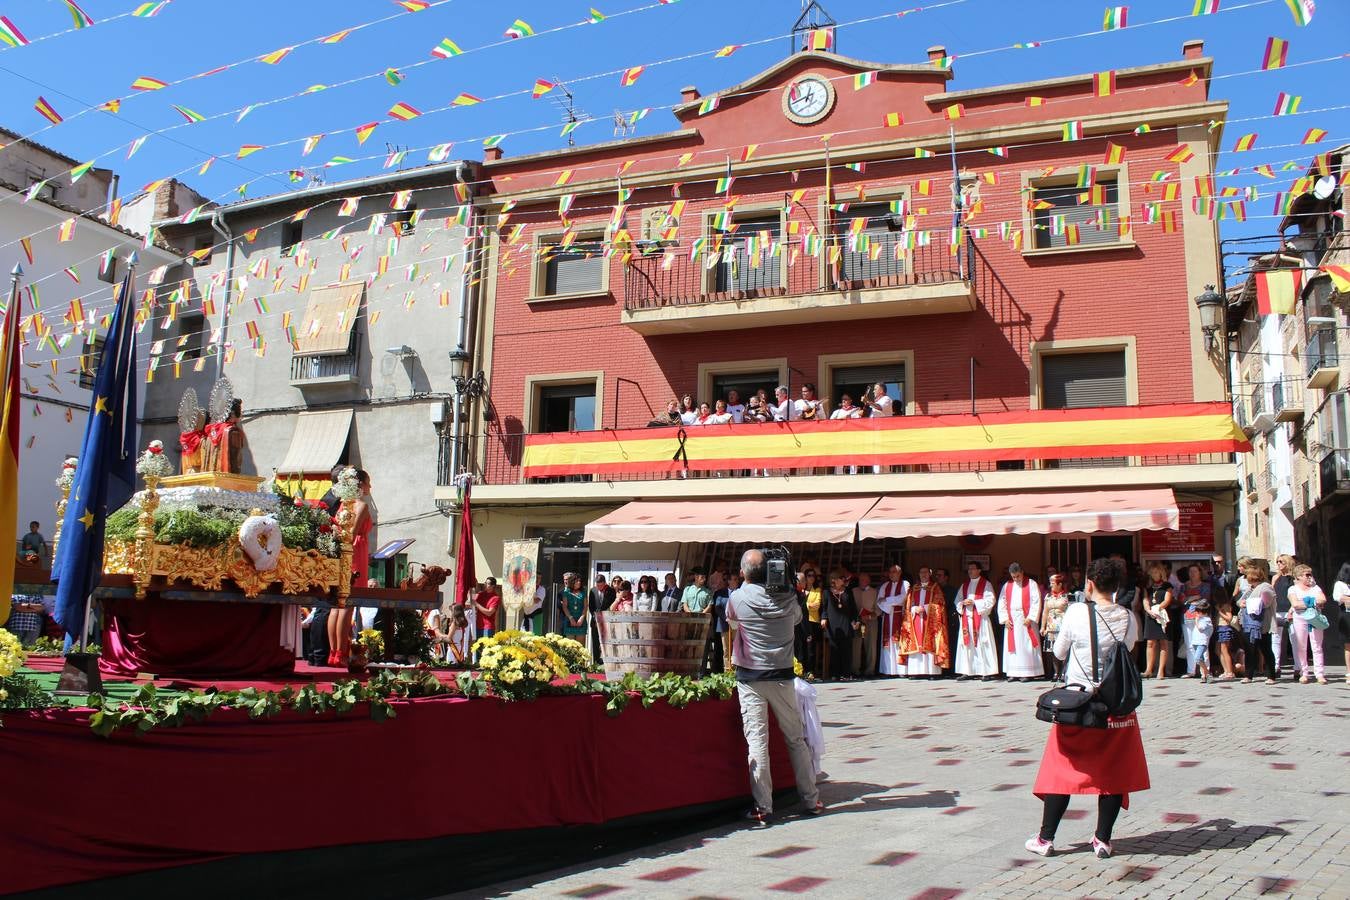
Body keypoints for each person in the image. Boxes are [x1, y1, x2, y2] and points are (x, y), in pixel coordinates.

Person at [1028, 557, 1148, 860]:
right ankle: (1103, 839)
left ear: (1089, 584)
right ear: (1118, 586)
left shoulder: (1076, 612)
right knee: (1112, 772)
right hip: (1114, 704)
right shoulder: (1126, 617)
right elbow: (1130, 647)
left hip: (1078, 703)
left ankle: (1046, 838)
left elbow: (1059, 651)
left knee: (1061, 771)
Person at [727, 549, 823, 824]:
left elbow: (732, 621)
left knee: (758, 742)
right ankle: (810, 798)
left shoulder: (737, 597)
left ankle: (763, 806)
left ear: (744, 573)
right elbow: (796, 620)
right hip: (782, 675)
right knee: (795, 738)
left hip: (750, 678)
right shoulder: (789, 596)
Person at [328, 469, 372, 667]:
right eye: (368, 483)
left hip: (343, 553)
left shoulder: (342, 506)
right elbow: (352, 533)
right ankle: (343, 654)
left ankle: (335, 653)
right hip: (356, 552)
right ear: (360, 484)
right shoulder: (360, 505)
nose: (370, 487)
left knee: (338, 606)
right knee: (348, 604)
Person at [897, 567, 949, 678]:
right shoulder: (913, 588)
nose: (923, 574)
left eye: (926, 572)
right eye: (921, 572)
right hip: (915, 619)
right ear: (918, 574)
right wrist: (914, 609)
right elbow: (908, 606)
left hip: (930, 621)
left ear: (930, 574)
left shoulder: (935, 588)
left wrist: (925, 608)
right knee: (915, 641)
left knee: (930, 642)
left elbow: (940, 605)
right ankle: (915, 671)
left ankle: (932, 672)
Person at [999, 563, 1044, 681]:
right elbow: (1002, 602)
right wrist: (1005, 619)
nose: (1016, 579)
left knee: (1026, 645)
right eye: (1013, 577)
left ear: (1022, 572)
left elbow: (1036, 601)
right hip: (1012, 619)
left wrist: (1030, 617)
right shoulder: (1007, 586)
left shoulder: (1031, 584)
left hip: (1026, 618)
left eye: (1018, 576)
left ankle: (1027, 672)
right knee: (1012, 647)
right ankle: (1013, 672)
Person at [954, 562, 999, 680]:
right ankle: (967, 671)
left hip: (980, 619)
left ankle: (986, 671)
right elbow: (957, 600)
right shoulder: (964, 585)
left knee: (983, 643)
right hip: (967, 619)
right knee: (966, 644)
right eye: (969, 569)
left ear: (979, 570)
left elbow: (991, 600)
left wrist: (974, 602)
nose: (970, 571)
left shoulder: (986, 584)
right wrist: (962, 603)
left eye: (972, 569)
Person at [1286, 564, 1327, 684]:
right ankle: (1304, 672)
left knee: (1317, 646)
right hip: (1300, 617)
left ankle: (1319, 673)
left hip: (1314, 617)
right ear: (1298, 576)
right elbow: (1295, 604)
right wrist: (1313, 602)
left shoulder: (1315, 588)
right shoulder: (1293, 589)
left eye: (1311, 574)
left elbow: (1323, 599)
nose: (1310, 577)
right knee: (1301, 646)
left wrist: (1305, 602)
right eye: (1307, 575)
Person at [1240, 560, 1277, 685]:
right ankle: (1248, 675)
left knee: (1266, 649)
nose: (1245, 578)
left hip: (1262, 624)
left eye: (1247, 576)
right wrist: (1242, 603)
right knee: (1250, 650)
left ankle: (1271, 675)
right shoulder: (1251, 588)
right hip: (1249, 624)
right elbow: (1239, 601)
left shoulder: (1265, 587)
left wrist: (1249, 603)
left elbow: (1265, 602)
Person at [821, 574, 859, 680]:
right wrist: (824, 618)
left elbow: (853, 609)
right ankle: (835, 674)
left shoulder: (848, 591)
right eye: (840, 578)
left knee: (846, 650)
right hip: (833, 624)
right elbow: (823, 608)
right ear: (833, 580)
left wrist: (856, 621)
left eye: (843, 578)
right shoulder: (826, 592)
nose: (843, 580)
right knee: (834, 650)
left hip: (846, 624)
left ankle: (846, 674)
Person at [1176, 565, 1211, 678]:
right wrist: (1195, 597)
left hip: (1201, 618)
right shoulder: (1184, 586)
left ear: (1200, 573)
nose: (1192, 573)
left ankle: (1205, 671)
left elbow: (1204, 600)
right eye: (1190, 571)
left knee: (1202, 644)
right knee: (1189, 645)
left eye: (1195, 571)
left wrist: (1189, 599)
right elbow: (1181, 600)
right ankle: (1191, 670)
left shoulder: (1205, 586)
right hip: (1186, 618)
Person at [1141, 563, 1174, 680]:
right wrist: (1148, 610)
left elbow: (1167, 599)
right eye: (1152, 572)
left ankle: (1161, 670)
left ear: (1161, 573)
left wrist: (1158, 609)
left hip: (1162, 615)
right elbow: (1145, 599)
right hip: (1151, 616)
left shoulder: (1167, 585)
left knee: (1163, 643)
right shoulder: (1148, 587)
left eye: (1156, 572)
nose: (1154, 574)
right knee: (1150, 642)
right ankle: (1148, 669)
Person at [1040, 574, 1072, 682]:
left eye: (1053, 583)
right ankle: (1056, 672)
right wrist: (1042, 626)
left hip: (1062, 626)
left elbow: (1071, 612)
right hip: (1051, 626)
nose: (1051, 585)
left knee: (1063, 650)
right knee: (1052, 651)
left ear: (1060, 584)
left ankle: (1064, 671)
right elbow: (1045, 612)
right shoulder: (1048, 596)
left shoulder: (1067, 596)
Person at [1272, 554, 1297, 676]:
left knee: (1294, 638)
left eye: (1281, 561)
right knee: (1275, 639)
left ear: (1287, 562)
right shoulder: (1275, 577)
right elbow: (1272, 593)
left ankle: (1298, 667)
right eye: (1277, 562)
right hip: (1277, 610)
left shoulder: (1294, 578)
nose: (1278, 564)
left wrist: (1292, 609)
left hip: (1290, 609)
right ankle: (1276, 666)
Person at [853, 571, 878, 676]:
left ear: (869, 581)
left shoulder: (875, 592)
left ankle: (870, 670)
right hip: (857, 622)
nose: (862, 581)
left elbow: (878, 609)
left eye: (864, 579)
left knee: (871, 646)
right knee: (856, 646)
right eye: (860, 579)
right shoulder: (853, 591)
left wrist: (870, 616)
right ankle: (855, 670)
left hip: (870, 622)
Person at [588, 574, 616, 663]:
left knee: (607, 642)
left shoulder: (611, 591)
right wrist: (595, 617)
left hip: (606, 621)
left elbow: (611, 606)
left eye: (600, 585)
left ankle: (607, 662)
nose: (599, 587)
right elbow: (591, 607)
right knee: (595, 642)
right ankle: (596, 662)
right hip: (595, 621)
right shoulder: (592, 591)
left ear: (604, 583)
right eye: (597, 585)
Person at [801, 569, 823, 676]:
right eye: (809, 575)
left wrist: (805, 605)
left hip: (812, 621)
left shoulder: (817, 590)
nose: (811, 578)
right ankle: (801, 670)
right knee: (801, 646)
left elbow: (817, 606)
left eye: (813, 576)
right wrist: (809, 605)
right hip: (801, 621)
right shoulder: (801, 590)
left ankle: (810, 671)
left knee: (811, 647)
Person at [1333, 561, 1350, 685]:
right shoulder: (1340, 584)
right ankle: (1349, 672)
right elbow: (1337, 597)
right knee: (1348, 645)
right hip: (1346, 615)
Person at [559, 574, 588, 642]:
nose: (579, 582)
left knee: (580, 646)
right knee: (570, 645)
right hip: (569, 620)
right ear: (572, 582)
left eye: (580, 581)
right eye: (577, 581)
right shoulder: (566, 592)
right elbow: (564, 606)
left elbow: (585, 606)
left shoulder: (584, 591)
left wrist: (582, 618)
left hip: (580, 620)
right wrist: (570, 618)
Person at [473, 577, 501, 641]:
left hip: (488, 627)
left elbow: (489, 613)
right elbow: (471, 603)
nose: (485, 584)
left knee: (486, 649)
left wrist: (477, 604)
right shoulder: (481, 594)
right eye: (485, 583)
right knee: (478, 649)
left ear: (492, 586)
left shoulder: (495, 598)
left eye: (487, 583)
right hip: (478, 626)